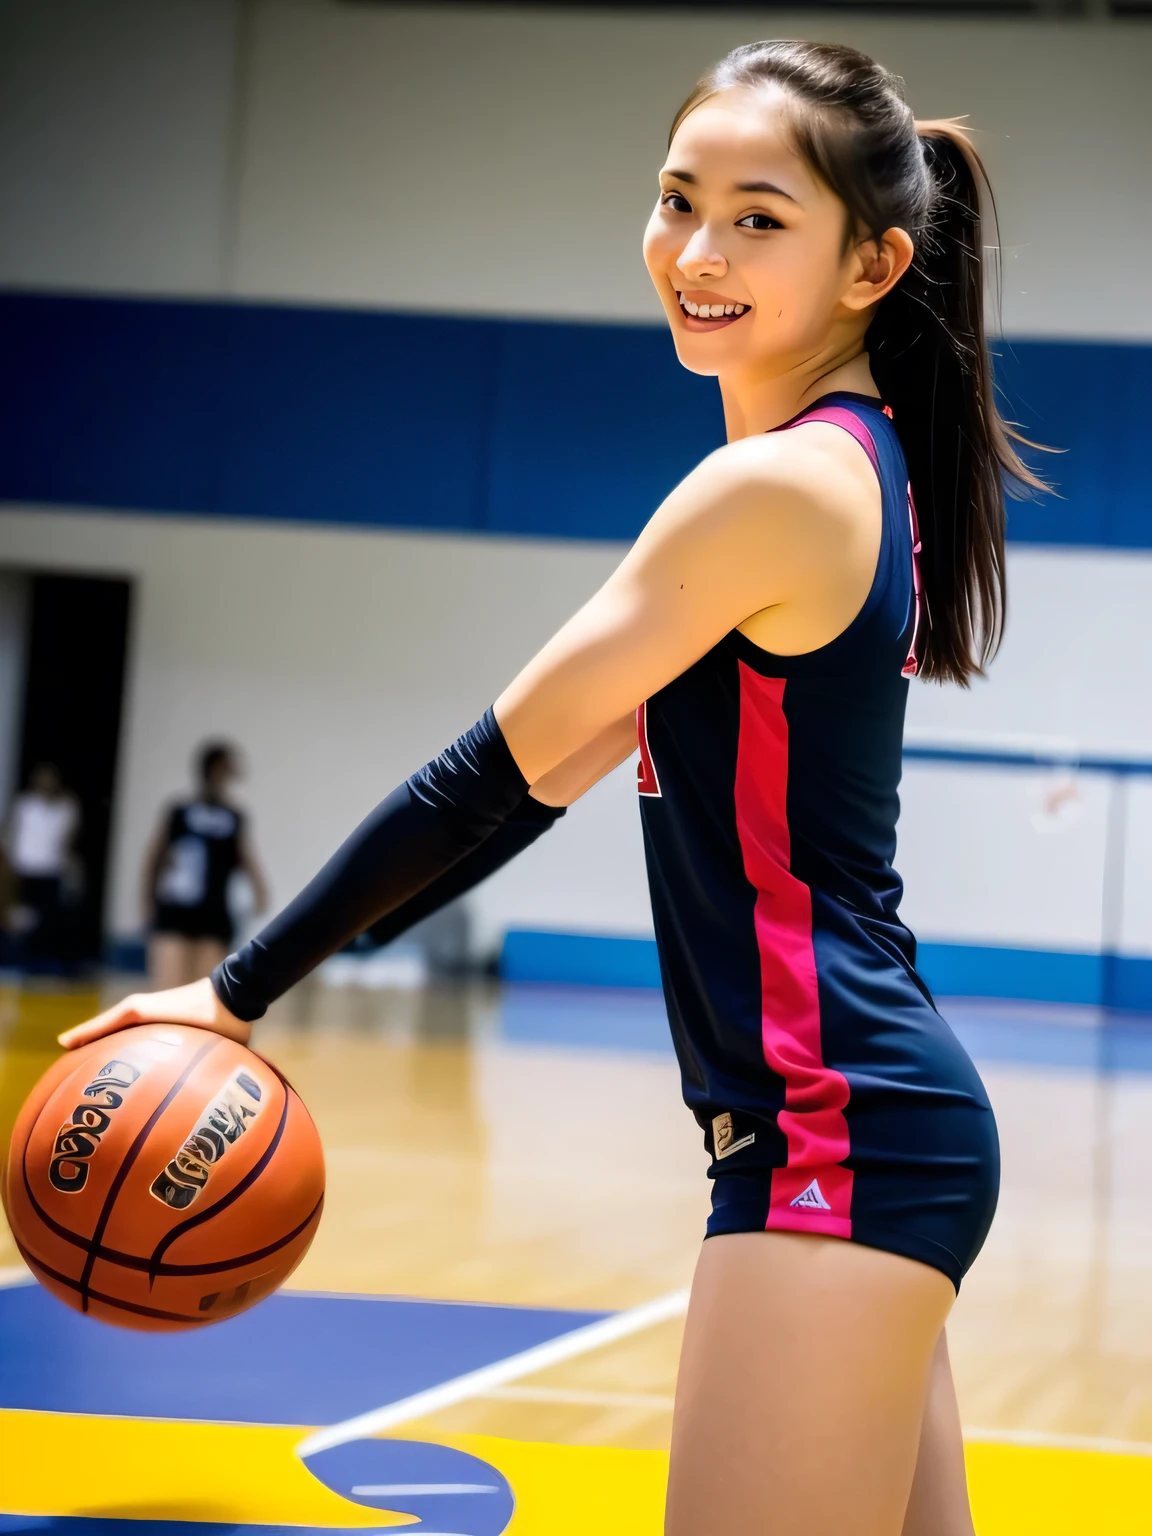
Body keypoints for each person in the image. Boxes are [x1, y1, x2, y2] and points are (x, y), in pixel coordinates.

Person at [62, 41, 1047, 1535]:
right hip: (869, 1127)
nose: (698, 252)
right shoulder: (851, 464)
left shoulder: (775, 489)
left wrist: (236, 994)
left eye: (760, 218)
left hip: (833, 1136)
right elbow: (531, 791)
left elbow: (481, 773)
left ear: (873, 264)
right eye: (676, 200)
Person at [141, 741, 269, 989]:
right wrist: (147, 903)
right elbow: (155, 858)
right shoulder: (179, 812)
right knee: (169, 987)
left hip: (213, 914)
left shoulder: (233, 817)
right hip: (175, 912)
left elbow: (247, 859)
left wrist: (259, 893)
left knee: (205, 989)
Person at [4, 762, 81, 962]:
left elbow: (70, 837)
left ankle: (44, 957)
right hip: (24, 867)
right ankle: (18, 957)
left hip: (52, 869)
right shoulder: (25, 805)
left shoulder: (67, 806)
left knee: (49, 916)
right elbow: (13, 833)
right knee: (21, 915)